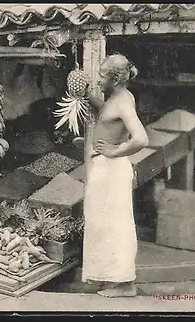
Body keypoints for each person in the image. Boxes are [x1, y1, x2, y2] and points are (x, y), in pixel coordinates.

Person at [80, 54, 149, 298]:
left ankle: (125, 284)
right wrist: (89, 96)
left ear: (115, 78)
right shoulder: (117, 98)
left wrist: (114, 151)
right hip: (106, 169)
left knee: (116, 226)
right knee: (102, 224)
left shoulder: (123, 102)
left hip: (112, 168)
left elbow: (141, 138)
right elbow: (108, 115)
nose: (98, 80)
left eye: (101, 76)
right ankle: (112, 278)